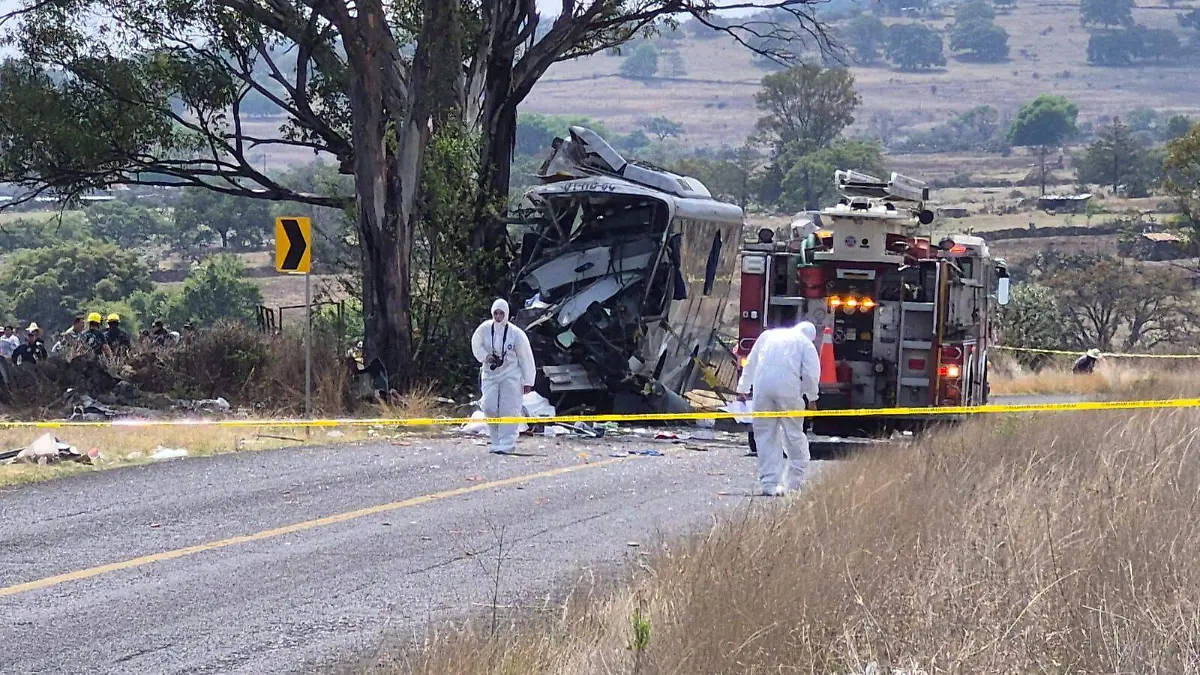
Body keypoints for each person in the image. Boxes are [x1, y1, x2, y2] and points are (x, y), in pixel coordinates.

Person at [736, 319, 820, 497]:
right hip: (789, 391)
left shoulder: (767, 336)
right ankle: (795, 482)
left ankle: (769, 483)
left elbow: (751, 362)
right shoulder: (806, 344)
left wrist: (742, 388)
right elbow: (810, 374)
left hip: (762, 390)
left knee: (765, 434)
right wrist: (812, 397)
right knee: (794, 434)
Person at [471, 299, 536, 455]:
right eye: (496, 313)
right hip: (490, 374)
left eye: (501, 313)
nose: (499, 316)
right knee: (489, 406)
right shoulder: (484, 329)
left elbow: (526, 358)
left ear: (506, 314)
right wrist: (485, 356)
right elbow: (475, 344)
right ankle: (495, 441)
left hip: (511, 375)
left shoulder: (516, 334)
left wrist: (528, 381)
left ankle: (507, 443)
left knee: (509, 409)